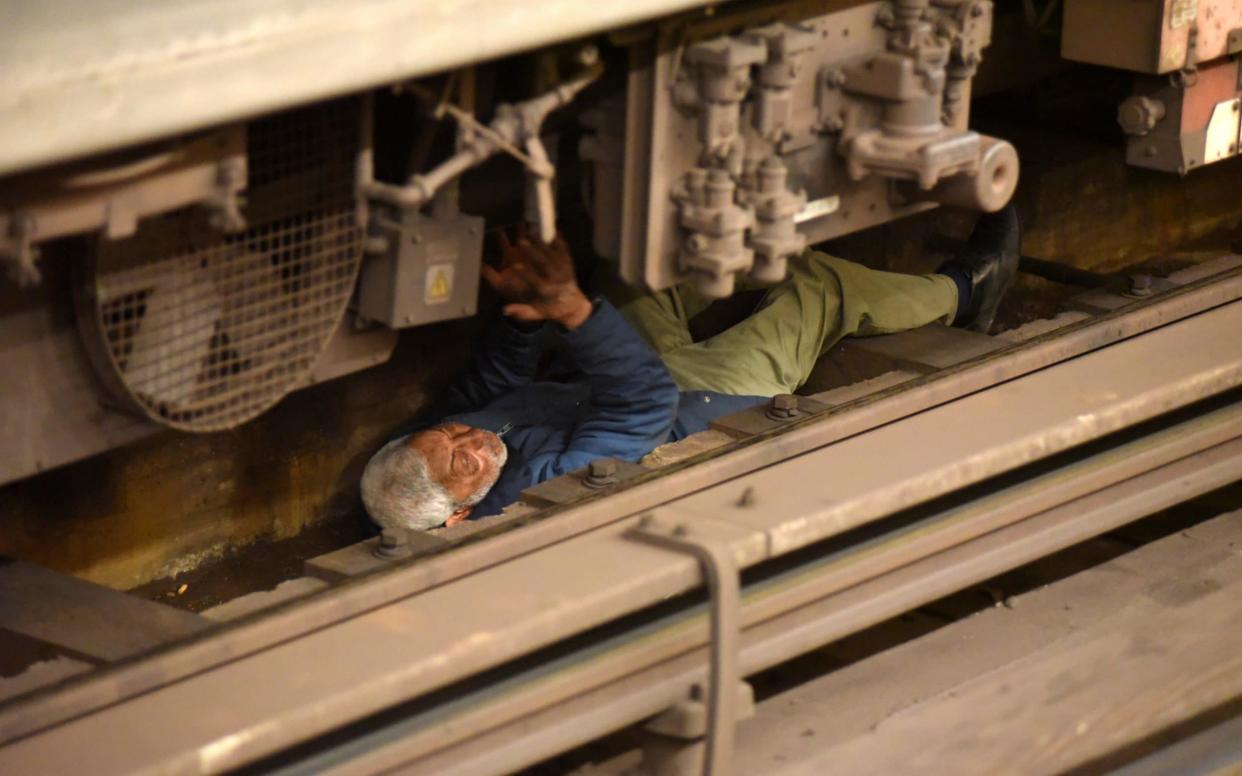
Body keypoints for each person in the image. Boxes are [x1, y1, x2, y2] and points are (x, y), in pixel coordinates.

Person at [361, 206, 1019, 532]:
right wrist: (572, 314)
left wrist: (524, 316)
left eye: (451, 435)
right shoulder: (544, 489)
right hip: (699, 406)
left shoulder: (436, 449)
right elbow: (640, 407)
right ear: (458, 519)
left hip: (621, 380)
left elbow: (487, 392)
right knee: (816, 288)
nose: (472, 441)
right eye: (464, 462)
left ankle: (766, 224)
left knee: (630, 276)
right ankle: (967, 292)